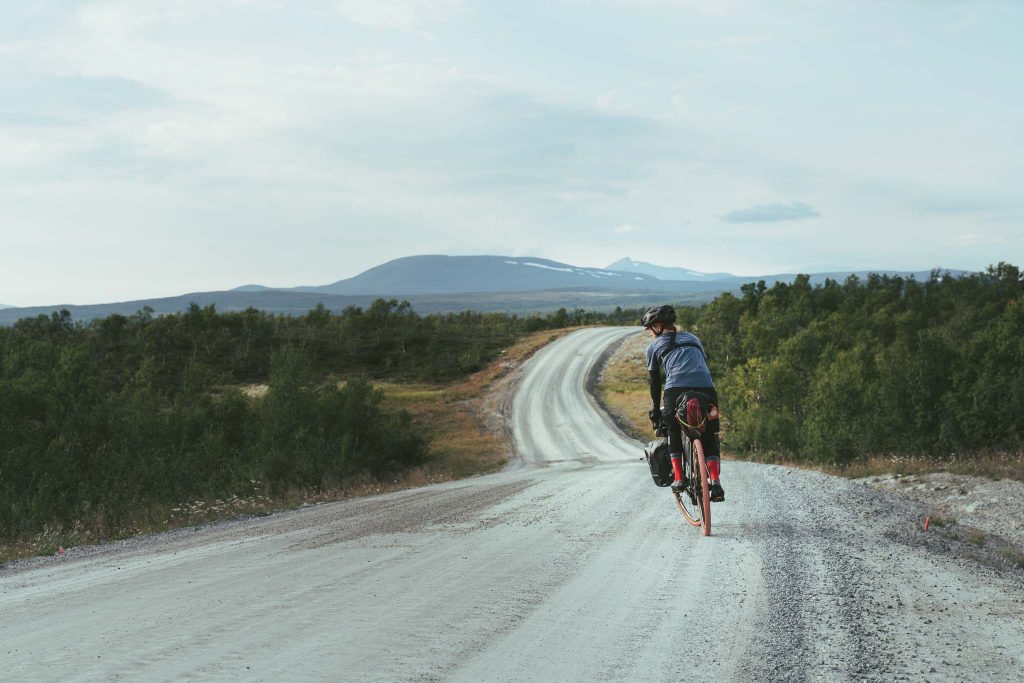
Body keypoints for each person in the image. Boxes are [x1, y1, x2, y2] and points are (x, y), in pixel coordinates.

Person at [640, 305, 725, 502]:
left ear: (658, 327)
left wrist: (655, 409)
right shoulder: (693, 338)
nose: (650, 334)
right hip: (706, 388)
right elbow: (701, 364)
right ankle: (716, 481)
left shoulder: (653, 347)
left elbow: (655, 382)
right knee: (709, 433)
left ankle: (678, 477)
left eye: (650, 329)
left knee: (673, 429)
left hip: (675, 389)